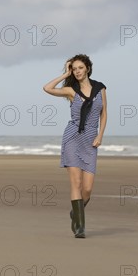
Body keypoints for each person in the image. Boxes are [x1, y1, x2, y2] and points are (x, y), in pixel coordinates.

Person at [43, 54, 107, 238]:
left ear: (87, 68)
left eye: (80, 68)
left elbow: (104, 114)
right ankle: (80, 227)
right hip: (72, 137)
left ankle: (75, 212)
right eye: (74, 69)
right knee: (76, 183)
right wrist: (65, 74)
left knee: (87, 189)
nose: (77, 71)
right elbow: (47, 88)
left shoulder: (100, 88)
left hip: (91, 140)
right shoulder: (71, 90)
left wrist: (100, 136)